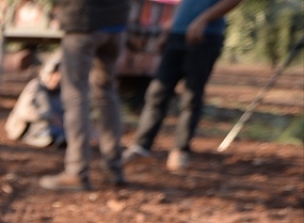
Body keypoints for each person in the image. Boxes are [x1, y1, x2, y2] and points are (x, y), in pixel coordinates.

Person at [122, 0, 246, 174]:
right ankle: (141, 146)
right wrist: (167, 30)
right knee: (157, 91)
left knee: (191, 95)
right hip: (176, 34)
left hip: (204, 36)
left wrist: (202, 20)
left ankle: (181, 150)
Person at [39, 0, 130, 191]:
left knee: (75, 95)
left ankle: (76, 171)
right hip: (116, 25)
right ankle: (113, 168)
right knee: (106, 92)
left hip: (83, 22)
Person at [5, 51, 67, 149]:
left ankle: (59, 137)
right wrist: (49, 116)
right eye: (55, 74)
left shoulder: (61, 91)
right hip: (28, 128)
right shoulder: (36, 87)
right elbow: (24, 111)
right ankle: (50, 136)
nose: (57, 78)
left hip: (53, 127)